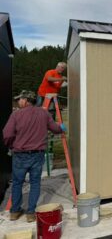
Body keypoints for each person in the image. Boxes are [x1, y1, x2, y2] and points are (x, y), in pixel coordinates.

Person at [2, 90, 65, 222]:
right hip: (37, 154)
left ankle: (15, 212)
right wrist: (61, 128)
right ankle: (31, 213)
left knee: (17, 183)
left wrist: (11, 146)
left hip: (20, 155)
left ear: (26, 100)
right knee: (35, 183)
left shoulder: (16, 115)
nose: (18, 102)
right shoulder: (44, 113)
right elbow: (54, 128)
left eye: (20, 99)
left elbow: (7, 134)